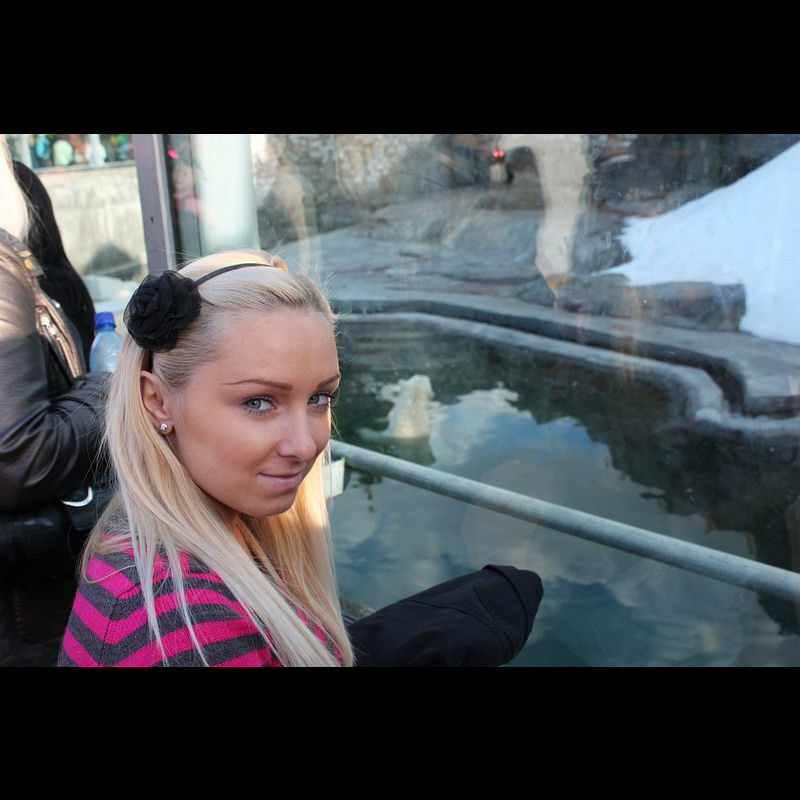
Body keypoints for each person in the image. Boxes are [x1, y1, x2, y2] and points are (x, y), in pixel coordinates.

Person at [58, 250, 543, 667]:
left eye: (319, 398)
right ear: (158, 401)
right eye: (258, 402)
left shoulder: (167, 539)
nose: (306, 445)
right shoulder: (185, 628)